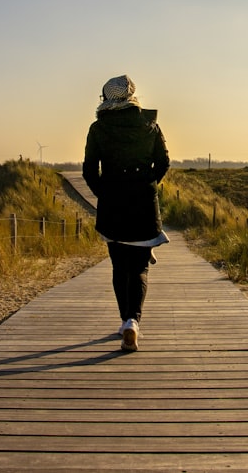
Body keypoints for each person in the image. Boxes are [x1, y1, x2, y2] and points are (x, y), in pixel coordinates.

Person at [82, 74, 170, 352]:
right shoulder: (150, 124)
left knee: (119, 267)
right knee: (140, 267)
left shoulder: (98, 128)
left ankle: (124, 321)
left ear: (107, 98)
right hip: (144, 204)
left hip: (113, 205)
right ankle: (134, 320)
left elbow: (88, 170)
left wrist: (105, 193)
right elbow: (164, 162)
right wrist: (147, 184)